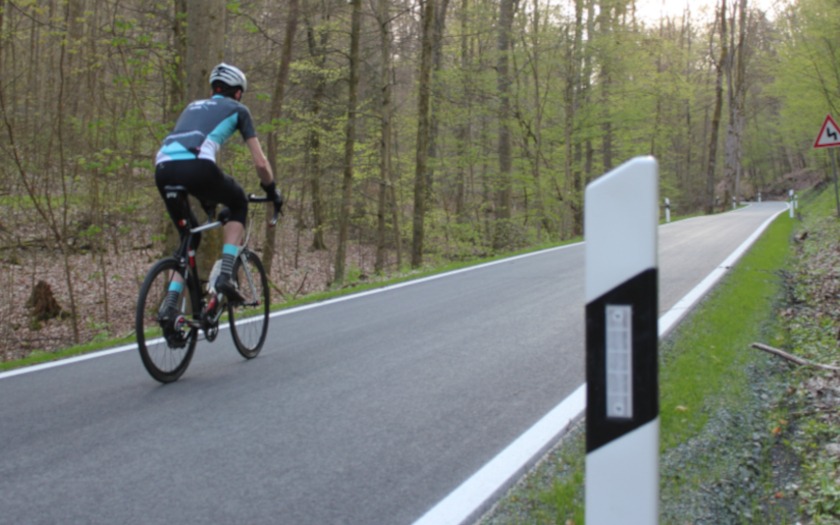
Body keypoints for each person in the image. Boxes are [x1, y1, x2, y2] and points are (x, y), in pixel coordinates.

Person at [155, 63, 282, 310]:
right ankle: (225, 276)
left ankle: (170, 305)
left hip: (162, 168)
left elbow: (175, 147)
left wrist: (205, 197)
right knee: (237, 203)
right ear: (237, 93)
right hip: (198, 165)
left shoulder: (191, 107)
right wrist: (272, 191)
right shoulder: (238, 109)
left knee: (189, 237)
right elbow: (260, 163)